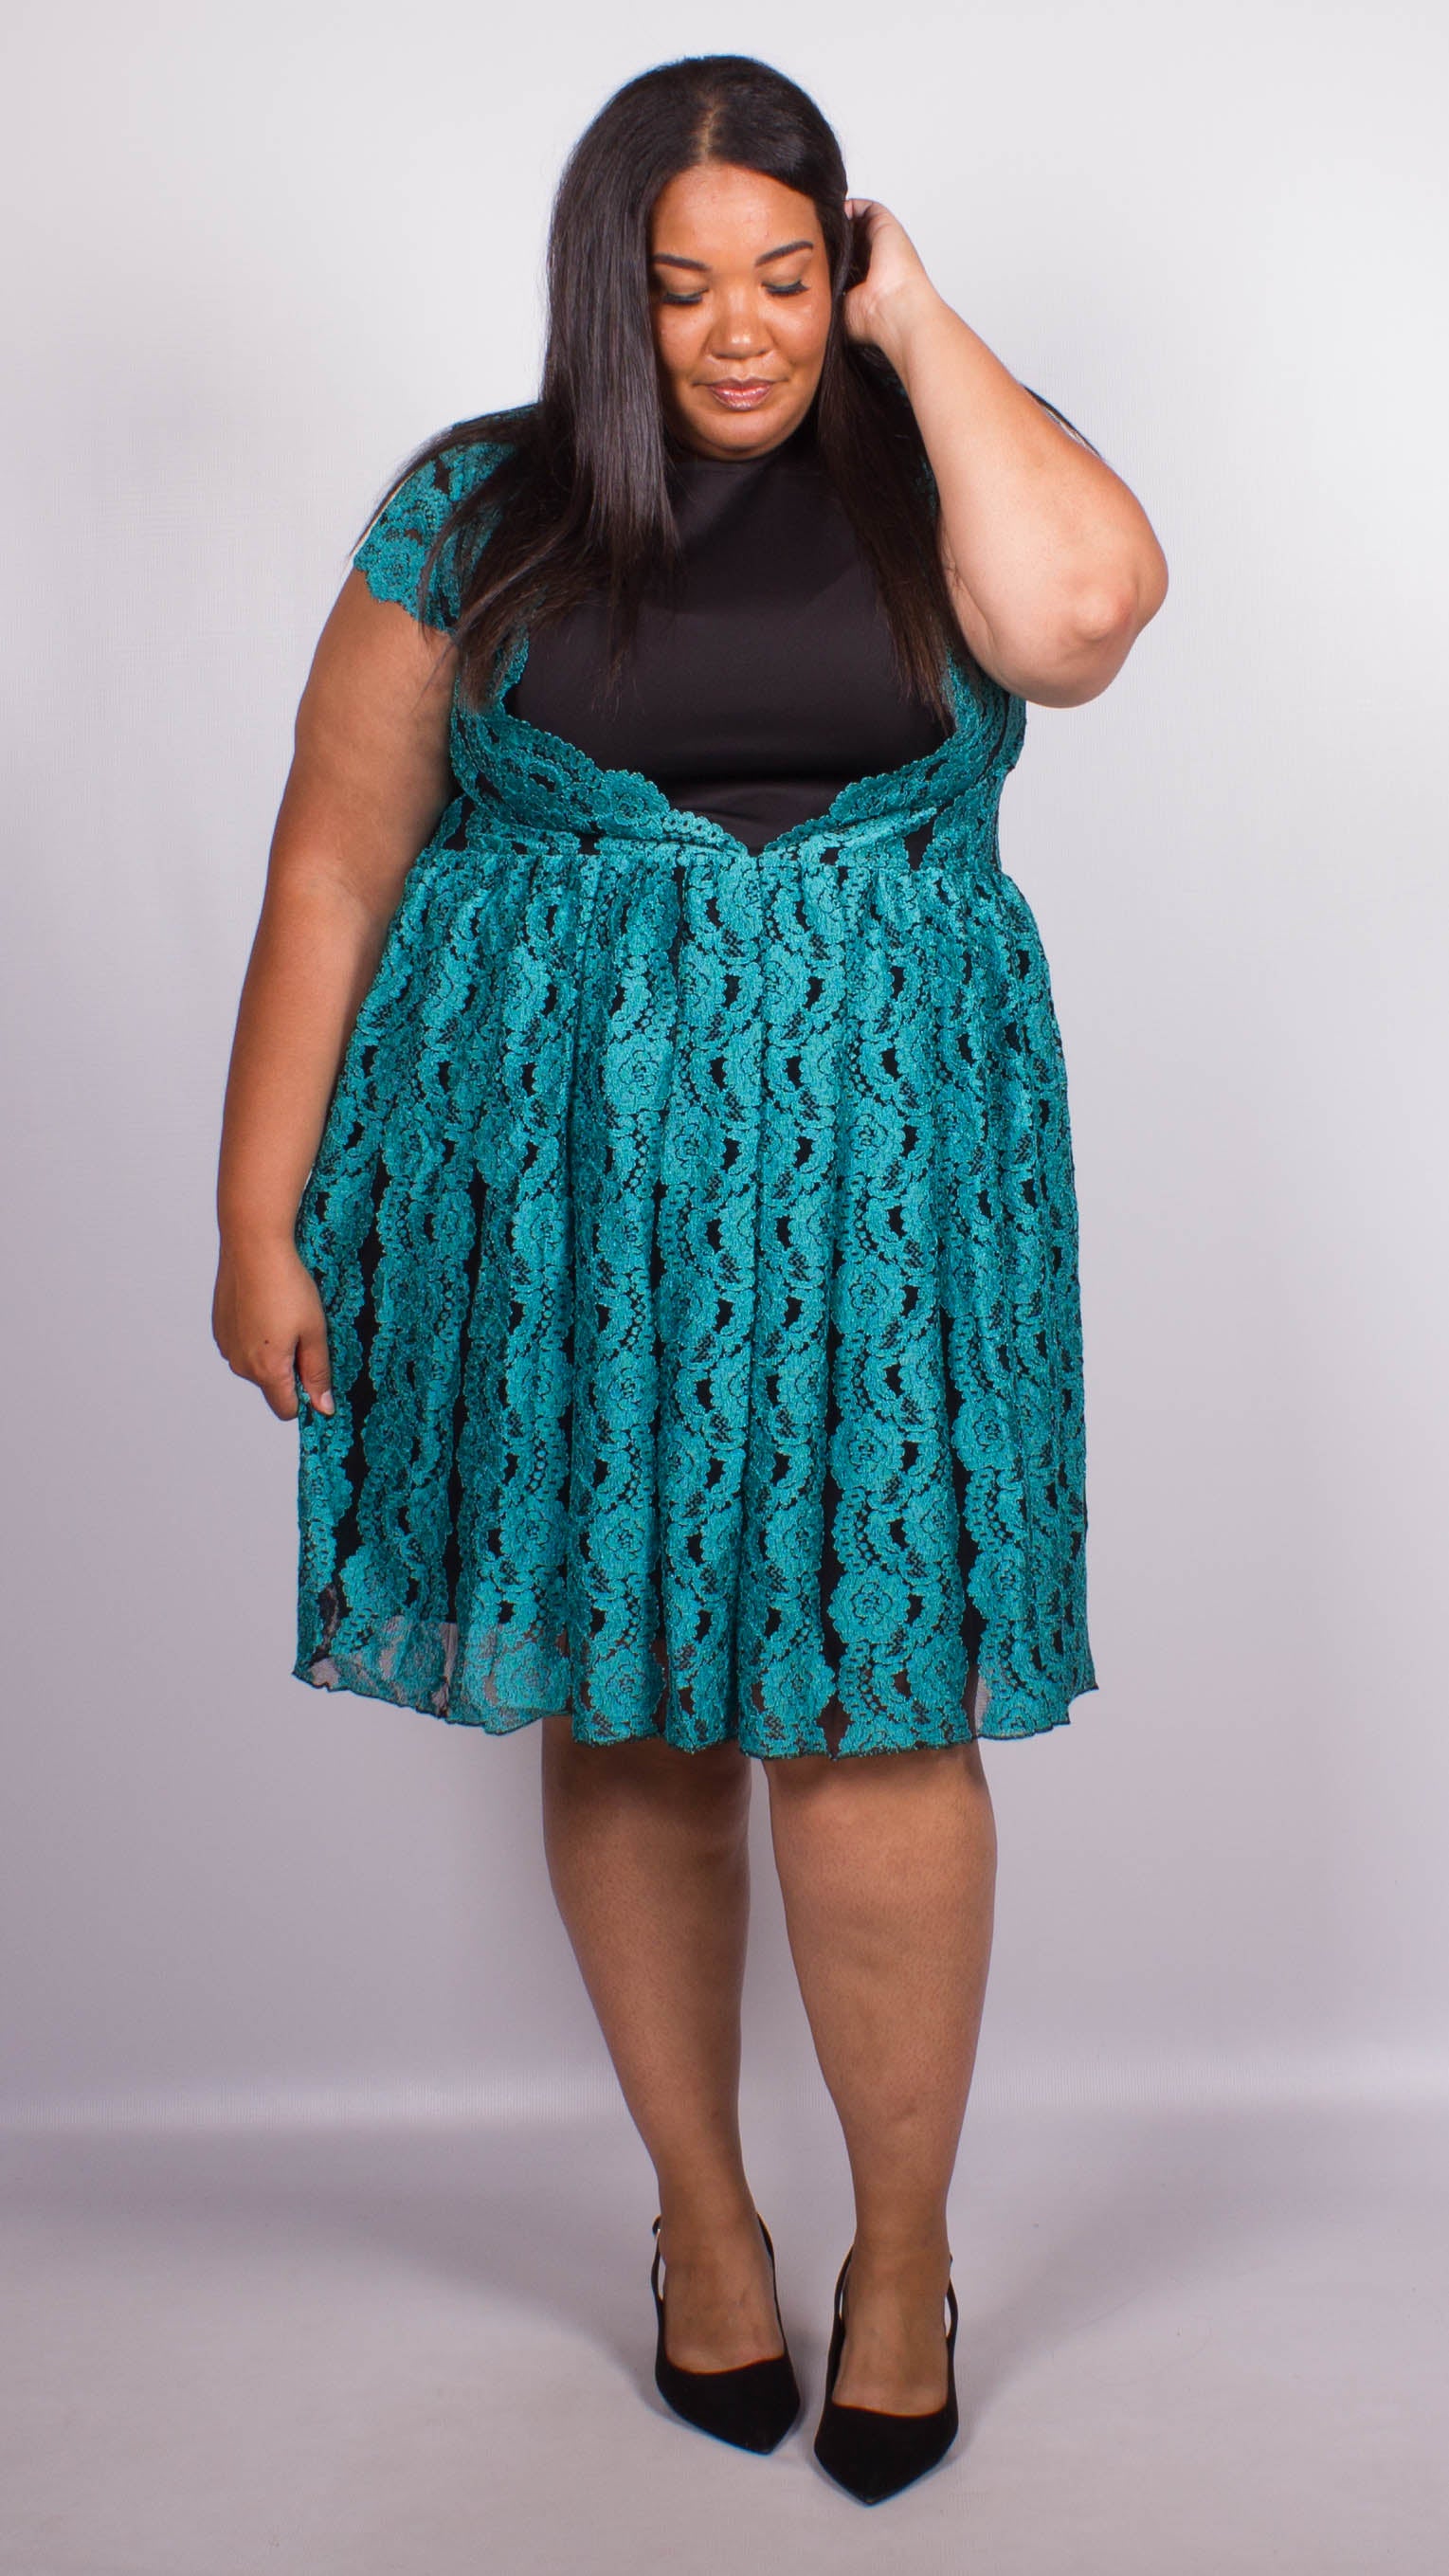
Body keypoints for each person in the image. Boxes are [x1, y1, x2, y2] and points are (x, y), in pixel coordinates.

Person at [211, 53, 1167, 2506]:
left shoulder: (942, 456)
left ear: (846, 262)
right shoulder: (479, 510)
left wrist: (918, 327)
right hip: (562, 1196)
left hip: (894, 1189)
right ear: (601, 293)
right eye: (682, 285)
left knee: (878, 1712)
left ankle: (899, 2260)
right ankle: (707, 2229)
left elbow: (1082, 620)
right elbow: (336, 854)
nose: (740, 331)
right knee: (634, 1711)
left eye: (787, 273)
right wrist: (257, 1211)